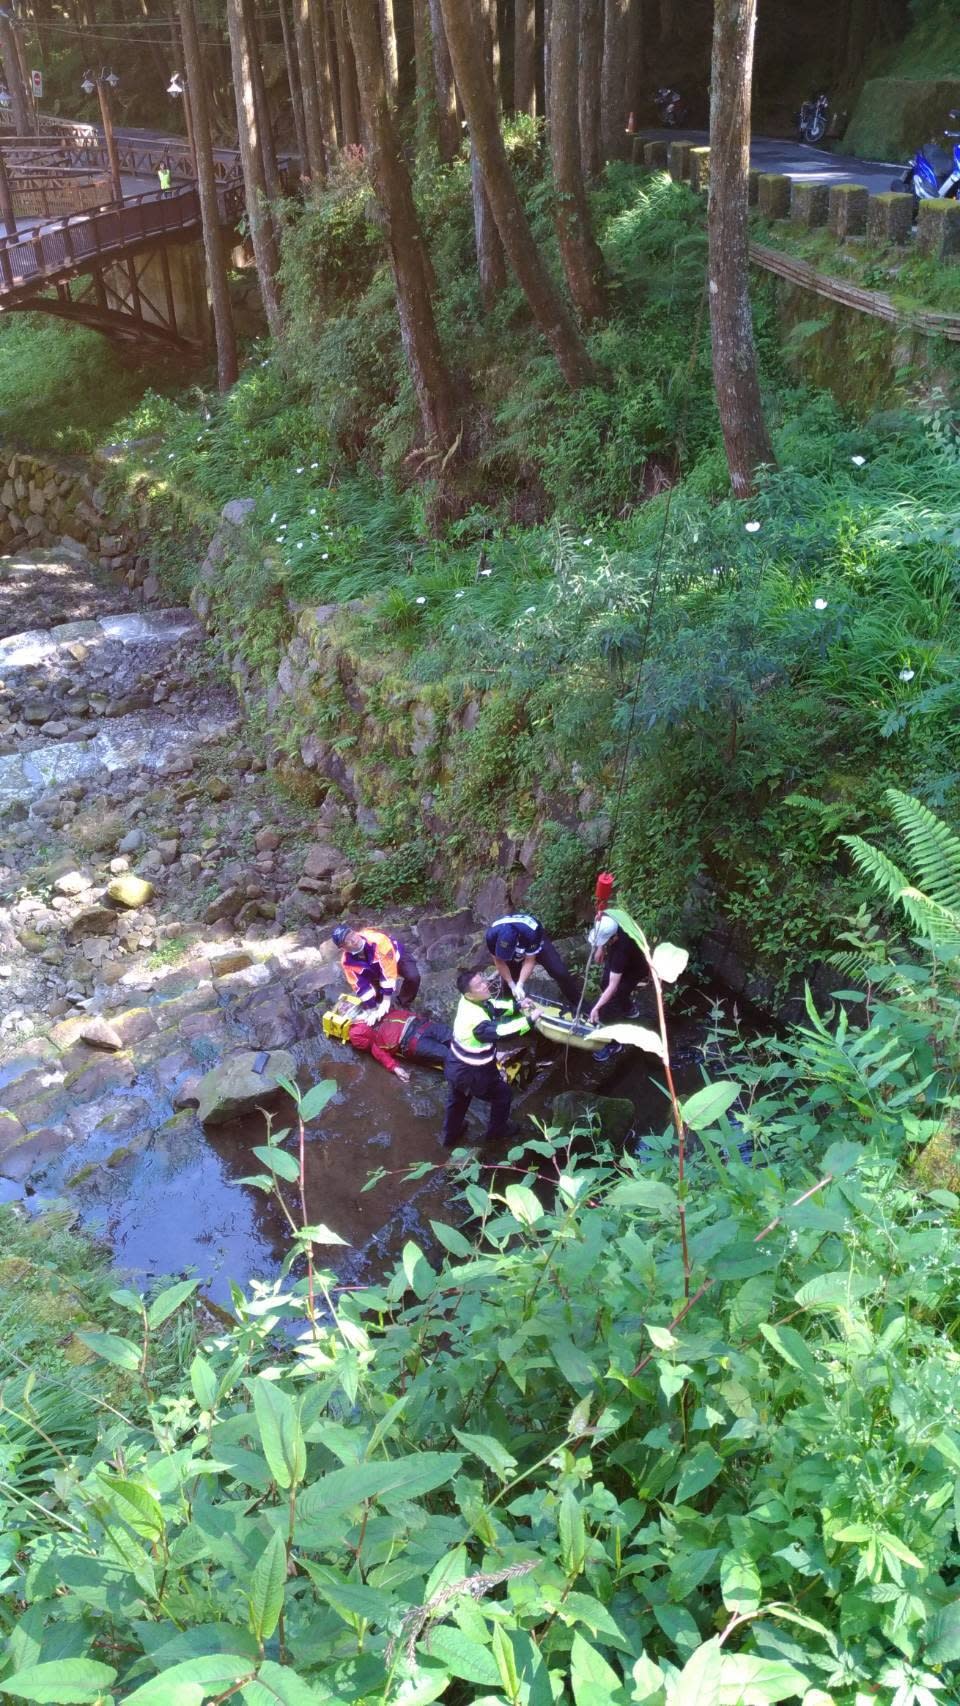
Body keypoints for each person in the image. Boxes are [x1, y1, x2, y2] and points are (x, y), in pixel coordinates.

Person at [441, 967, 529, 1149]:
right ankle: (497, 1131)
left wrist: (517, 1006)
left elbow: (492, 1007)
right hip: (473, 1072)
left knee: (457, 1101)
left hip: (455, 1064)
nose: (485, 985)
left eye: (482, 980)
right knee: (502, 1094)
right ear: (469, 994)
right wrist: (529, 1021)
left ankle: (450, 1136)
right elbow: (502, 1033)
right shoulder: (476, 1021)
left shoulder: (469, 1001)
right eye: (479, 985)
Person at [485, 911, 582, 1013]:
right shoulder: (491, 936)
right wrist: (512, 985)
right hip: (513, 943)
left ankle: (580, 1007)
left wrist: (520, 984)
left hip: (535, 942)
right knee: (508, 983)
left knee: (560, 972)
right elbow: (499, 962)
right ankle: (512, 1012)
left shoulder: (531, 932)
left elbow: (529, 961)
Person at [347, 1004, 451, 1081]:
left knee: (456, 1039)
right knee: (448, 1055)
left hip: (422, 1024)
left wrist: (375, 1009)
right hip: (410, 1041)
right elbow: (375, 1050)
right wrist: (395, 1067)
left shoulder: (374, 1005)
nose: (345, 1006)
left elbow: (384, 993)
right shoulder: (357, 1032)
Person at [331, 923, 421, 1012]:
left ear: (354, 931)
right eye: (347, 941)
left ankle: (403, 1002)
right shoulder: (347, 962)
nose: (353, 940)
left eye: (351, 934)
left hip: (395, 957)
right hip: (373, 970)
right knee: (377, 1001)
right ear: (342, 947)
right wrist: (372, 1009)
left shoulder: (377, 940)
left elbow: (388, 971)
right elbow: (359, 985)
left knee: (413, 977)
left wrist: (386, 1000)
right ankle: (380, 1007)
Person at [587, 912, 647, 1024]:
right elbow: (601, 923)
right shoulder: (612, 921)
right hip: (618, 955)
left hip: (635, 967)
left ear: (614, 938)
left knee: (619, 991)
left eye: (604, 941)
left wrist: (596, 1008)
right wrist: (600, 948)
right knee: (604, 982)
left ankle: (628, 1009)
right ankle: (608, 1004)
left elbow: (613, 986)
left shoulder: (621, 951)